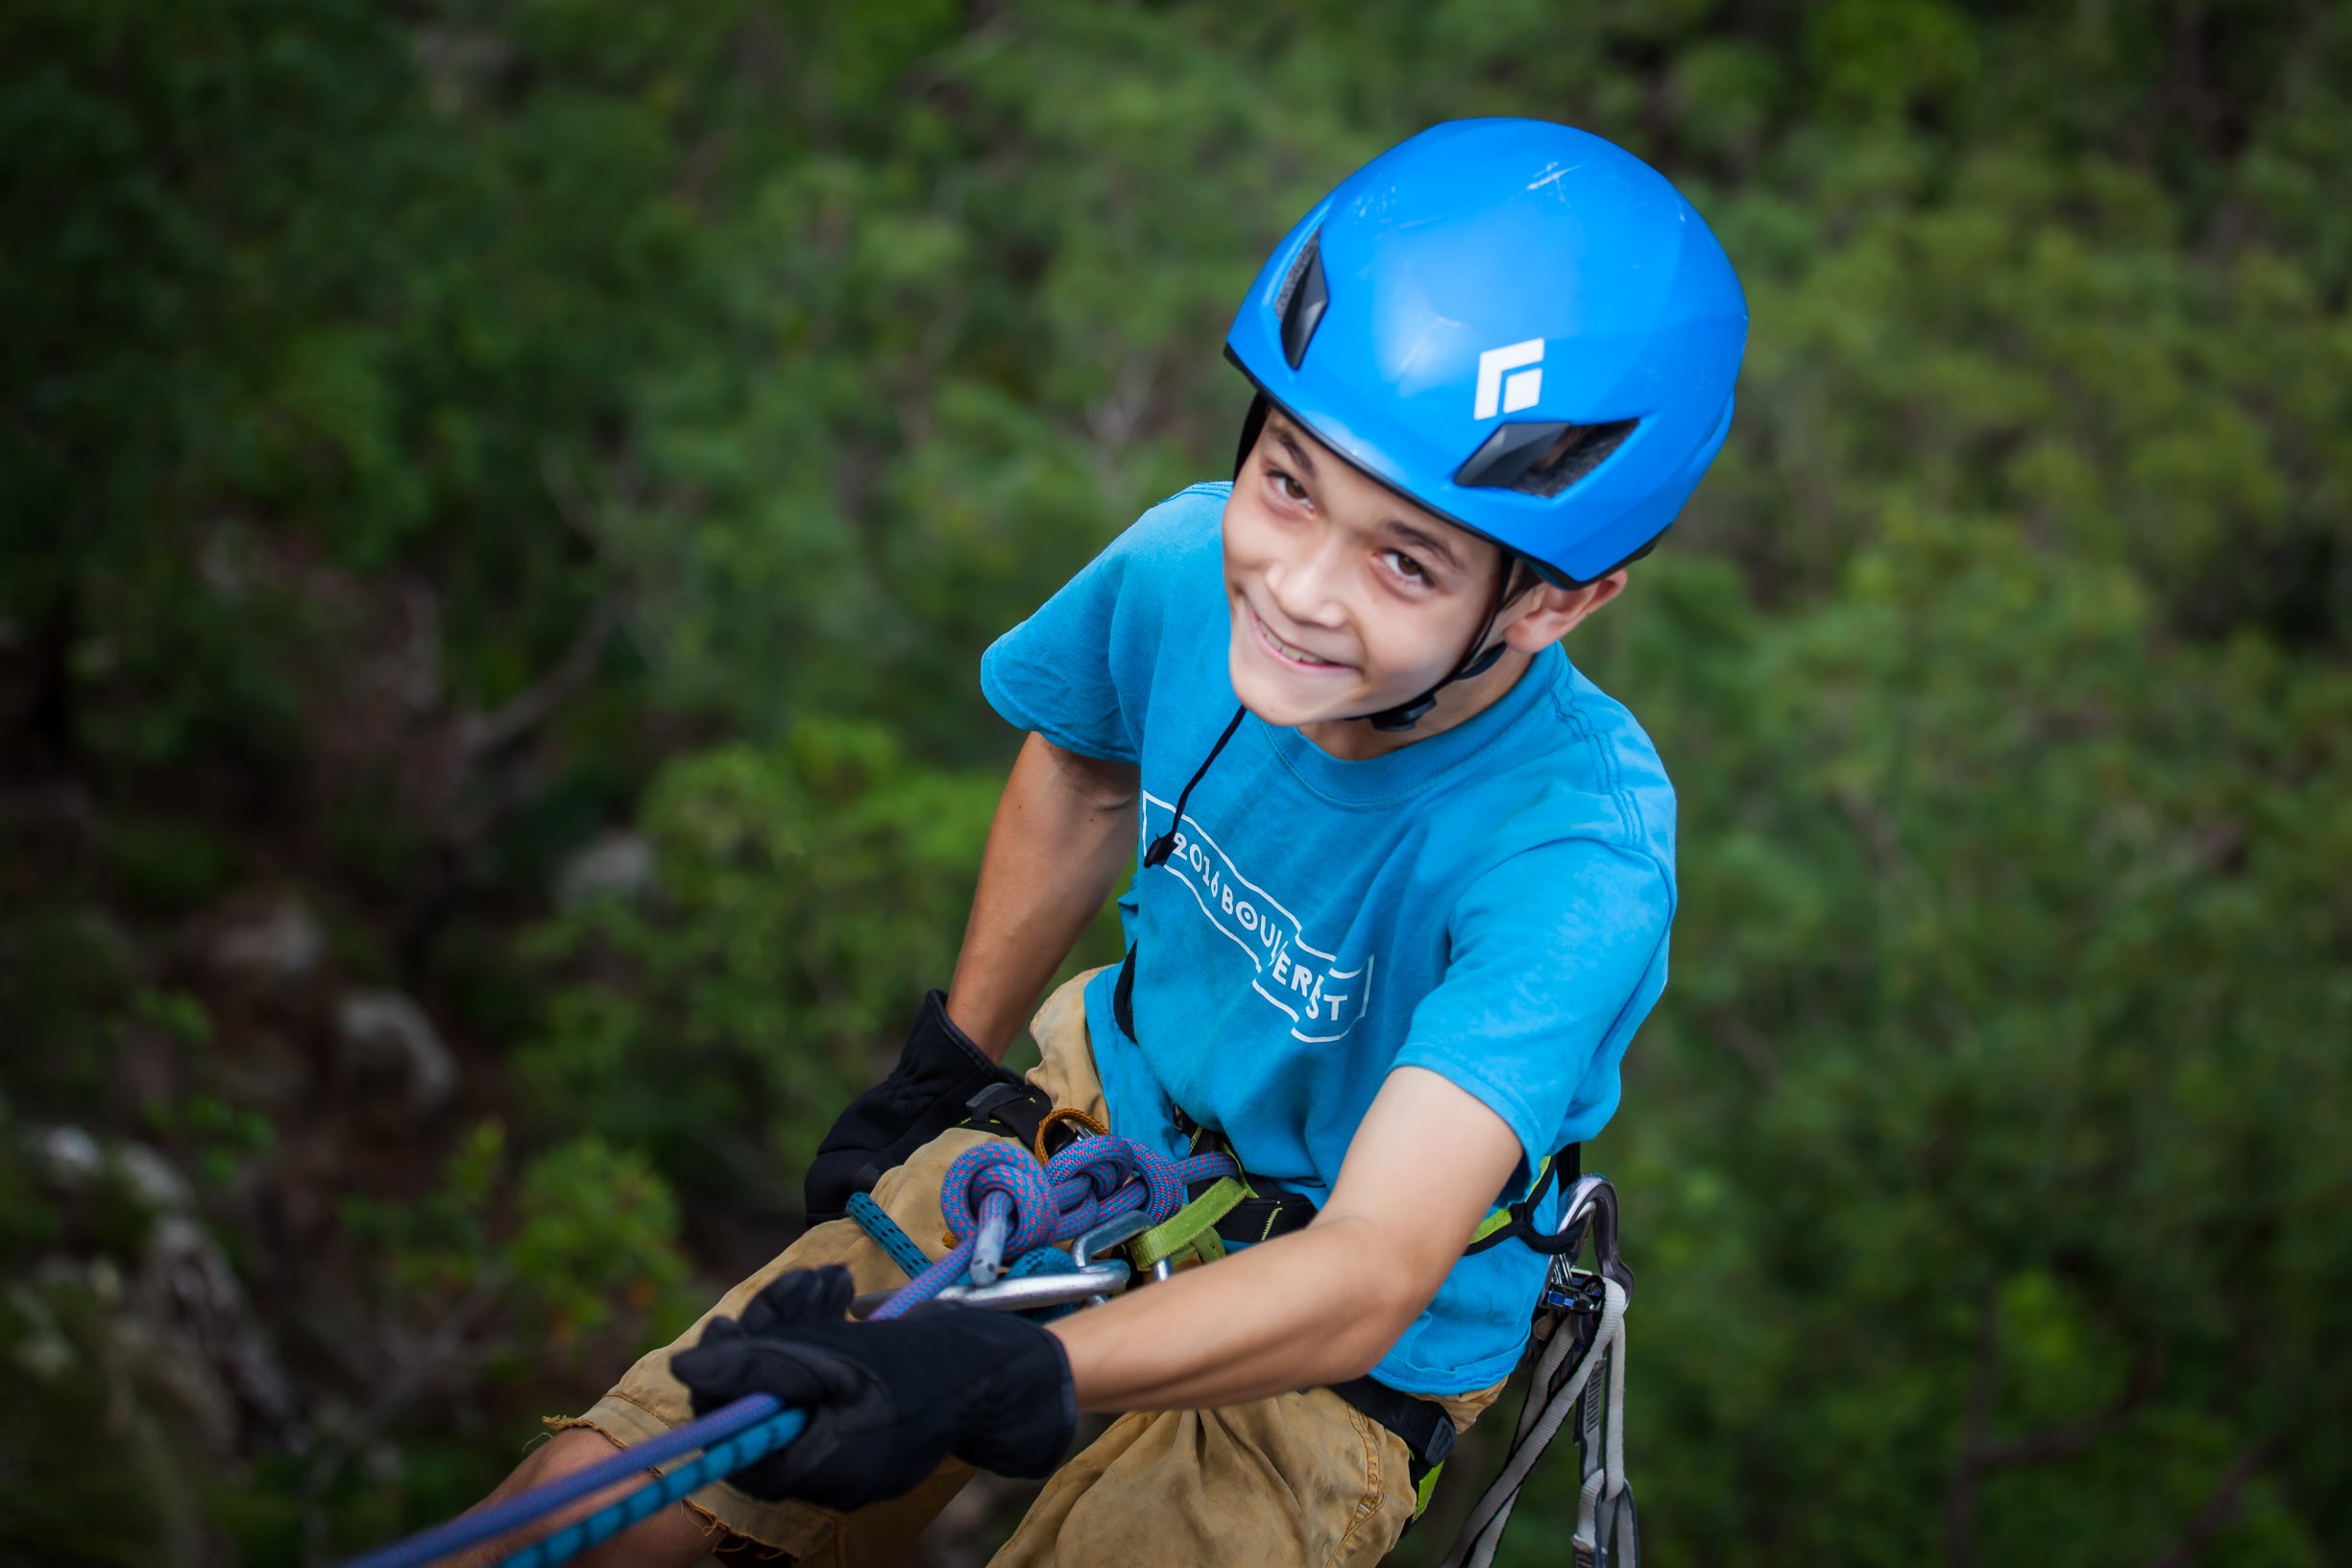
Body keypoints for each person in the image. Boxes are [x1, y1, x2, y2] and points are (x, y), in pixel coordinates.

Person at [452, 116, 1745, 1567]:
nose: (1298, 589)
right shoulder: (1183, 571)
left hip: (1322, 1347)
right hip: (1089, 1133)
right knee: (599, 1511)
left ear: (1555, 603)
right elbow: (1076, 769)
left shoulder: (1575, 850)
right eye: (1287, 482)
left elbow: (1372, 1265)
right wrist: (950, 1062)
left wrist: (1021, 1370)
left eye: (1403, 558)